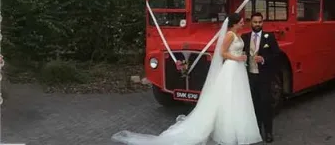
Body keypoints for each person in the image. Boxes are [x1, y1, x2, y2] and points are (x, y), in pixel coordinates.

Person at [111, 13, 262, 145]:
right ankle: (228, 131)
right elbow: (222, 52)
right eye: (241, 21)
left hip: (238, 69)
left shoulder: (239, 35)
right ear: (235, 23)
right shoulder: (230, 35)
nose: (244, 22)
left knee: (238, 98)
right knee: (229, 98)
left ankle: (238, 128)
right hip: (232, 66)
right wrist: (237, 57)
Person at [242, 12, 282, 143]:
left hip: (264, 77)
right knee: (254, 105)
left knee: (266, 104)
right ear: (251, 23)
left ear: (262, 23)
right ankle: (257, 131)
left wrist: (264, 59)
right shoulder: (245, 37)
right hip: (250, 77)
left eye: (260, 22)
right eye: (255, 22)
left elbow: (277, 55)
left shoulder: (269, 37)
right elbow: (241, 53)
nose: (257, 24)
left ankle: (268, 132)